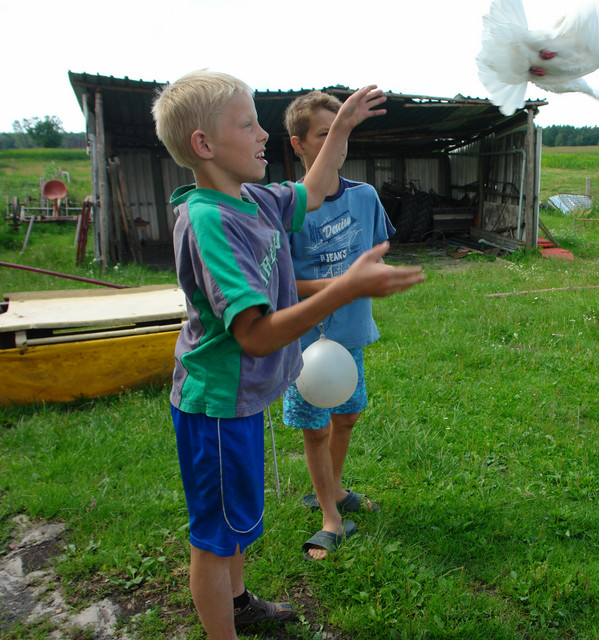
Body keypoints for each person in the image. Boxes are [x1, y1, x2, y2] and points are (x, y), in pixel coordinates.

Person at [151, 70, 424, 640]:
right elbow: (254, 334)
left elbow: (317, 186)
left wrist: (343, 126)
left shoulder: (255, 201)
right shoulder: (212, 222)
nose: (261, 136)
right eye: (248, 124)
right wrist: (343, 287)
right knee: (215, 536)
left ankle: (240, 601)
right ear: (204, 145)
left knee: (235, 521)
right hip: (217, 405)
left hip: (241, 401)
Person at [281, 91, 394, 561]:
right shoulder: (286, 208)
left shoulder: (364, 197)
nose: (338, 142)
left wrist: (375, 274)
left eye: (344, 130)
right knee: (314, 428)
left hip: (349, 337)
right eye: (327, 133)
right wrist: (341, 283)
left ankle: (334, 487)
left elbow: (380, 251)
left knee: (346, 417)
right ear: (299, 144)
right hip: (305, 343)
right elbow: (283, 282)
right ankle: (330, 515)